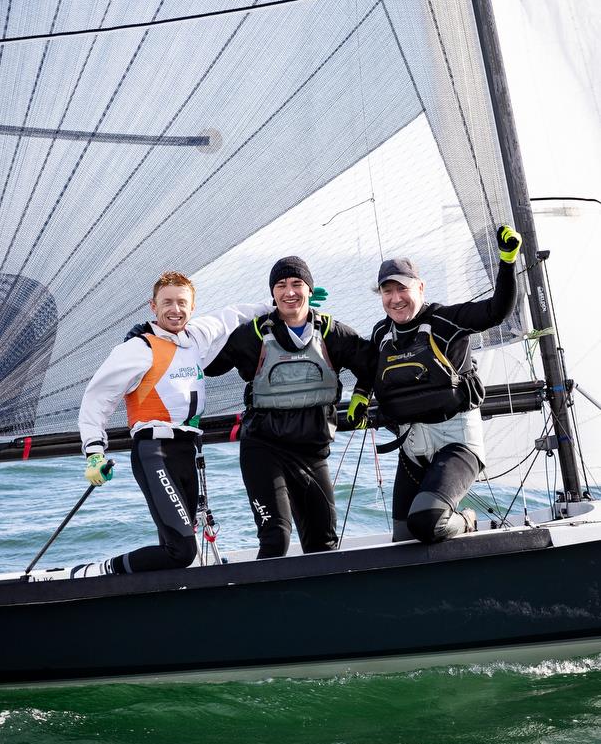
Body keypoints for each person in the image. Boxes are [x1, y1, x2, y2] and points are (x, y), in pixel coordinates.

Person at [75, 272, 268, 577]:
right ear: (153, 306)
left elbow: (231, 315)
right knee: (182, 551)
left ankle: (152, 593)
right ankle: (101, 571)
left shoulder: (196, 337)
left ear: (192, 307)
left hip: (186, 451)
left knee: (174, 545)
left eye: (182, 303)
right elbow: (97, 399)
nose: (175, 309)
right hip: (154, 452)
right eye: (167, 303)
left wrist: (279, 306)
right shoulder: (138, 349)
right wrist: (94, 452)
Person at [347, 224, 522, 544]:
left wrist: (507, 262)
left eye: (402, 289)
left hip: (457, 444)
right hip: (412, 447)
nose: (396, 298)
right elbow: (370, 370)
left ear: (421, 287)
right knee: (402, 537)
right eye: (387, 291)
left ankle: (467, 521)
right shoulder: (380, 334)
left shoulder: (446, 321)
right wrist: (360, 396)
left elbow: (498, 311)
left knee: (427, 522)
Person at [204, 256, 370, 559]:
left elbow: (372, 364)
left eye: (297, 284)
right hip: (263, 449)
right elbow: (207, 365)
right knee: (275, 537)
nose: (289, 292)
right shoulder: (252, 335)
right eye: (281, 286)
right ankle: (266, 605)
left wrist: (361, 395)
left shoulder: (333, 333)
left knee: (323, 544)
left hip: (311, 451)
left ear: (310, 289)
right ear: (272, 294)